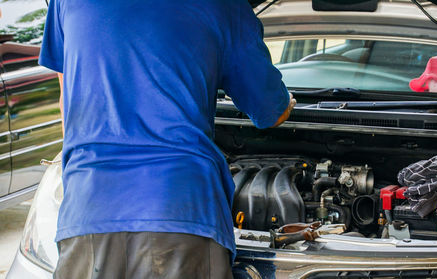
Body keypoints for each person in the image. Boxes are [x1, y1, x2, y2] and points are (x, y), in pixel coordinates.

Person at [39, 0, 295, 278]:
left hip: (87, 204)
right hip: (180, 205)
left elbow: (67, 101)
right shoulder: (225, 5)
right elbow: (271, 112)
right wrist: (288, 102)